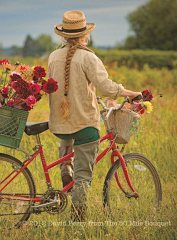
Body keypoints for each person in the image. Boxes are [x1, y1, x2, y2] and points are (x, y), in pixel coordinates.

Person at [48, 10, 141, 221]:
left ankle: (66, 166)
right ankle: (78, 220)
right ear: (84, 35)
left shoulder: (53, 57)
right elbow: (106, 87)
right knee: (84, 176)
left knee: (68, 144)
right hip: (84, 124)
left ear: (63, 35)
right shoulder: (88, 57)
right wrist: (130, 93)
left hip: (60, 124)